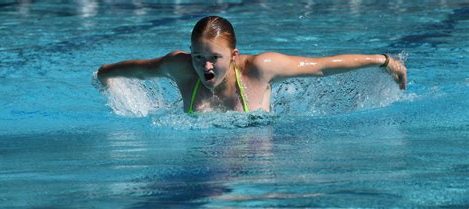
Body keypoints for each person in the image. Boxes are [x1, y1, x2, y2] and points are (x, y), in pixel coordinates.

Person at [97, 16, 407, 113]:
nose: (205, 67)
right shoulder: (179, 67)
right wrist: (104, 75)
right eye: (198, 58)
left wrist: (381, 61)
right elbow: (139, 69)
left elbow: (322, 67)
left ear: (233, 56)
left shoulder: (260, 68)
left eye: (214, 58)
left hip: (259, 160)